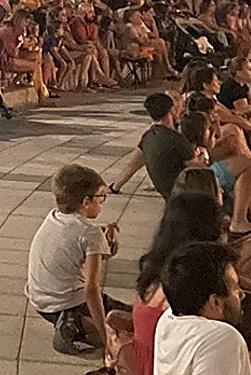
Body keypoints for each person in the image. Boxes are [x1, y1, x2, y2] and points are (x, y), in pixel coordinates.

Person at [26, 163, 124, 355]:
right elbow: (91, 289)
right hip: (67, 301)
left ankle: (74, 324)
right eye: (101, 197)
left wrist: (108, 231)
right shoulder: (90, 233)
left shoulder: (55, 216)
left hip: (41, 300)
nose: (102, 203)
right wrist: (106, 340)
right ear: (86, 201)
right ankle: (72, 328)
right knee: (122, 329)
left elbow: (77, 238)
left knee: (122, 315)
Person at [154, 242, 251, 375]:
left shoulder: (168, 319)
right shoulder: (221, 339)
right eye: (235, 289)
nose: (242, 294)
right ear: (215, 302)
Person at [109, 93, 200, 199]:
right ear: (171, 110)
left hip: (166, 191)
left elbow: (132, 166)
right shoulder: (177, 139)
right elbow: (196, 168)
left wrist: (114, 187)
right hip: (182, 194)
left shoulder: (148, 137)